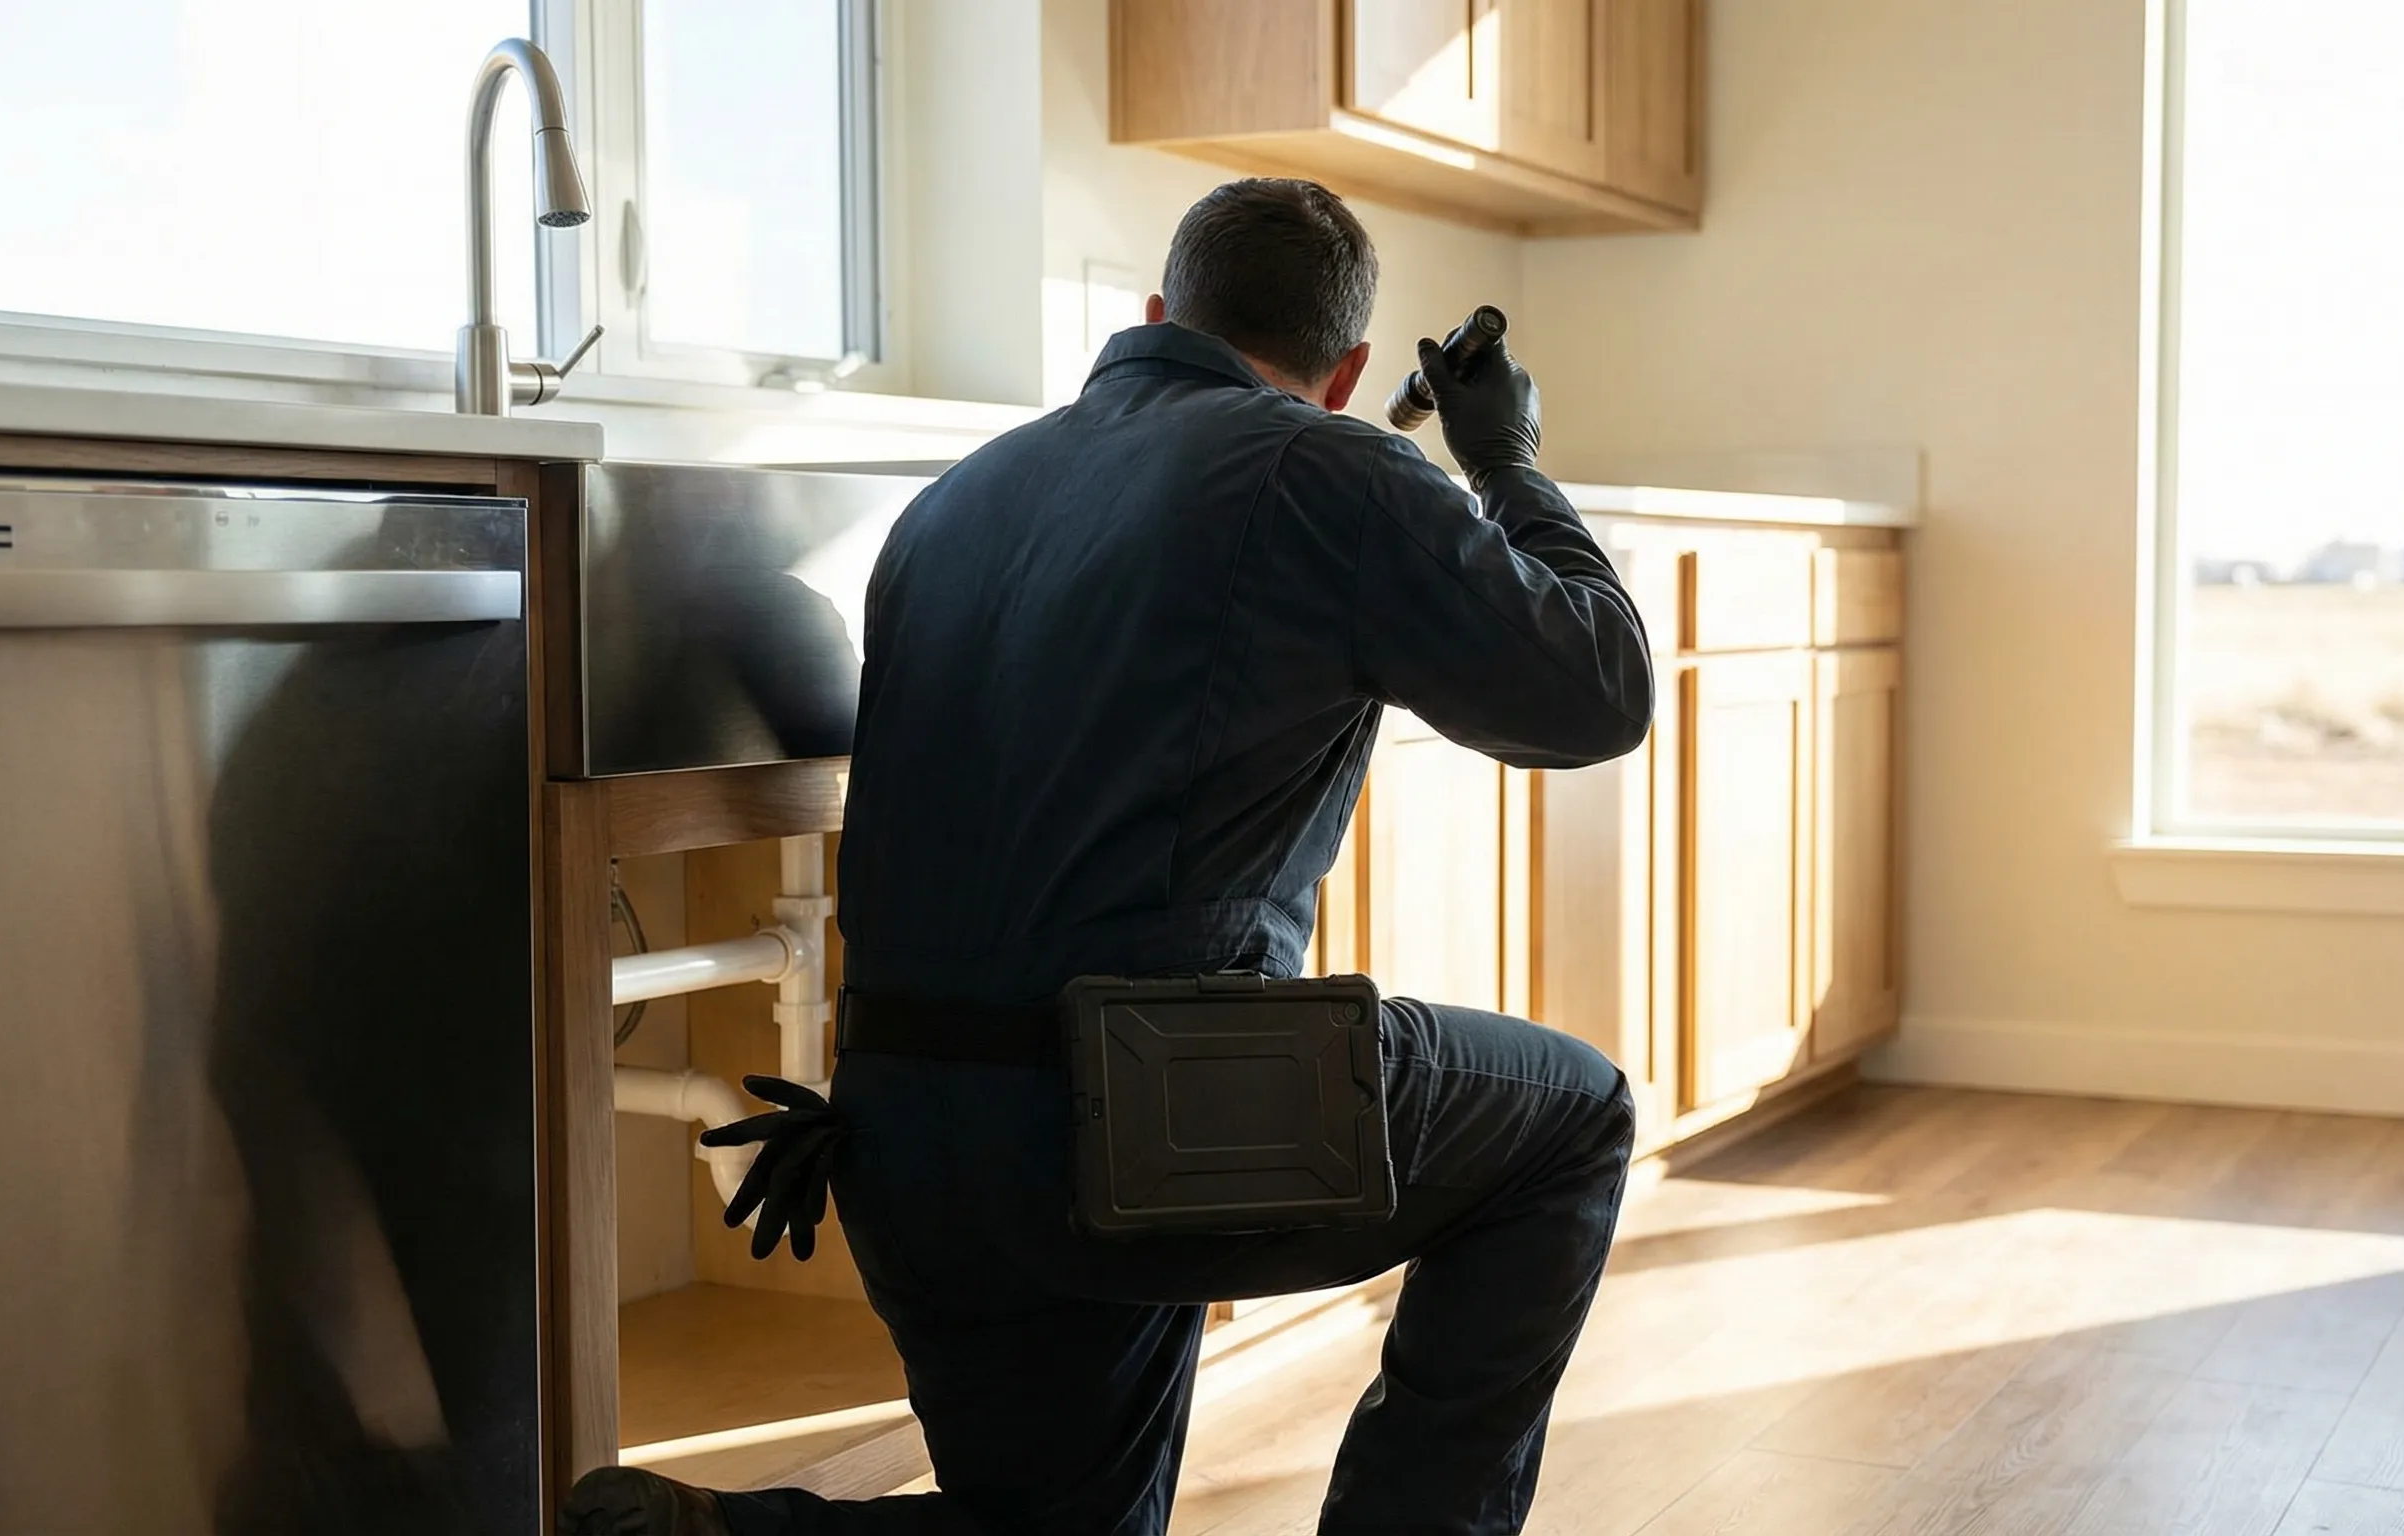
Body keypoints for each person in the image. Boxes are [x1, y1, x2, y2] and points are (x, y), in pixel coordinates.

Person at [561, 176, 1654, 1536]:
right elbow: (1597, 691)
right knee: (1574, 1122)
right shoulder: (1326, 464)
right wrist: (1505, 463)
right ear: (1352, 370)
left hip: (896, 1131)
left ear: (1154, 314)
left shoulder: (959, 500)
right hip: (1149, 1122)